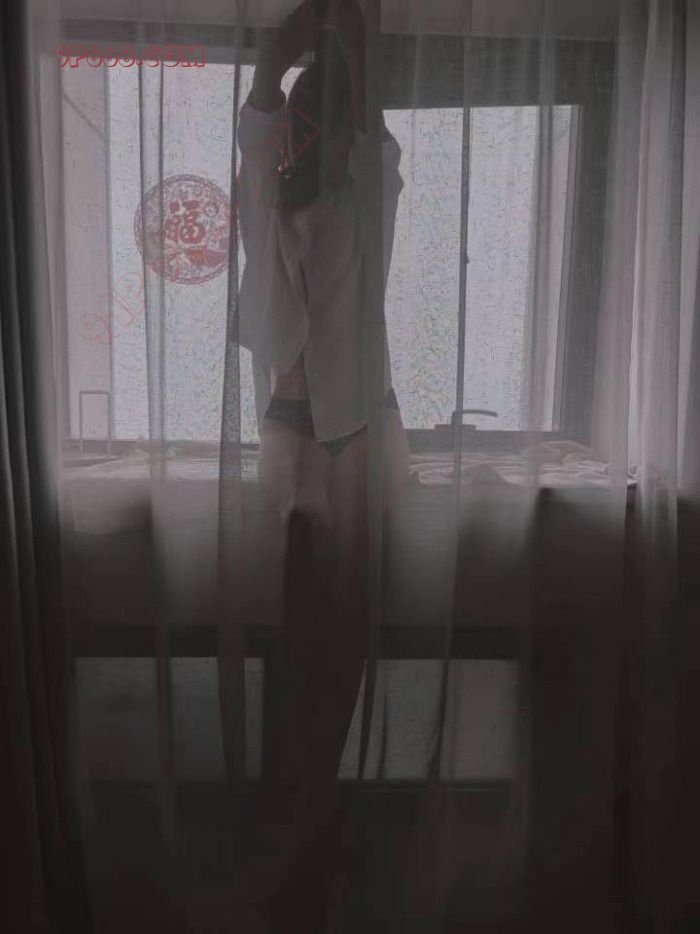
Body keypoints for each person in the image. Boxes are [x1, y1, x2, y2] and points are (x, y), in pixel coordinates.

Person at [235, 0, 409, 926]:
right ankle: (299, 828)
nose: (310, 135)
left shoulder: (367, 197)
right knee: (297, 640)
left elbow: (376, 138)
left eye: (323, 119)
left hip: (356, 432)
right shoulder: (270, 201)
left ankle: (315, 824)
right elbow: (259, 125)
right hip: (290, 431)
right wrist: (277, 56)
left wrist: (349, 37)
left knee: (343, 643)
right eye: (306, 123)